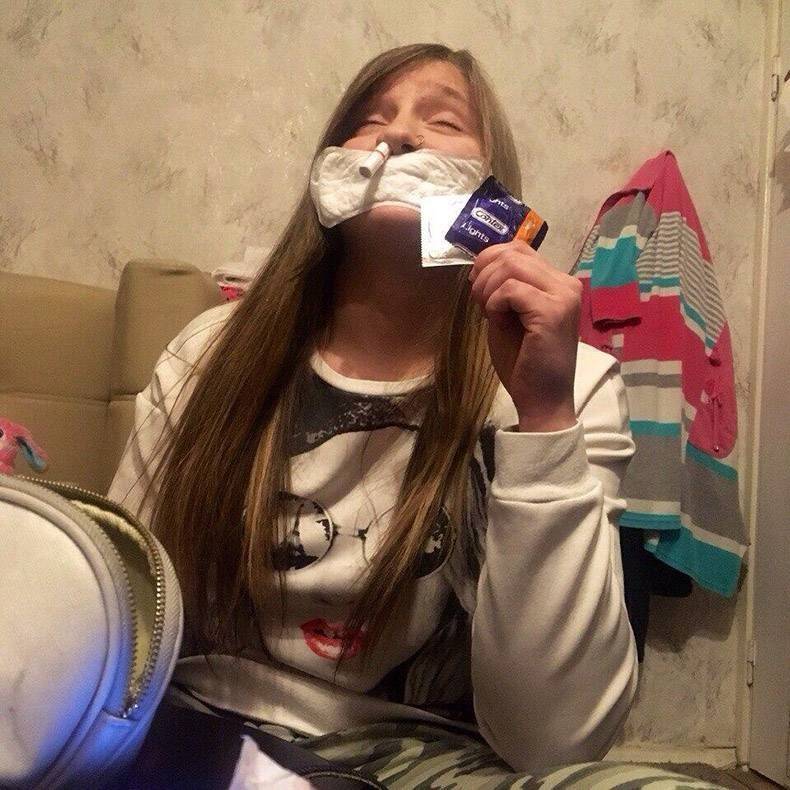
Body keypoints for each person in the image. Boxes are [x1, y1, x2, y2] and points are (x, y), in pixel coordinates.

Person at [109, 43, 644, 788]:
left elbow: (558, 741)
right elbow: (121, 605)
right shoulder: (208, 355)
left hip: (434, 757)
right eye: (370, 120)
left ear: (492, 189)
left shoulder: (569, 384)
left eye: (443, 121)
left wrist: (545, 419)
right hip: (205, 729)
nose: (399, 134)